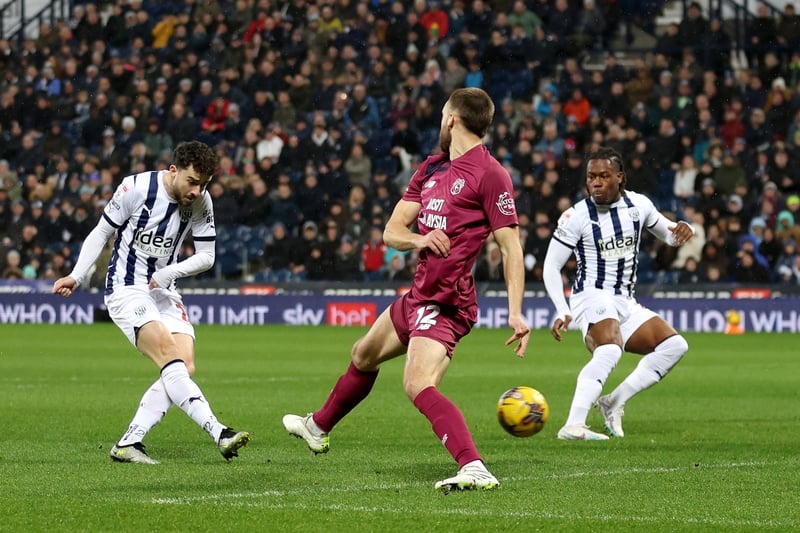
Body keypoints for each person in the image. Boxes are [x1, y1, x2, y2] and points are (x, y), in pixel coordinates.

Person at [282, 88, 530, 492]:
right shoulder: (431, 169)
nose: (439, 121)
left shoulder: (491, 174)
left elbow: (510, 246)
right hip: (418, 294)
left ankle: (474, 466)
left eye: (441, 115)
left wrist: (515, 311)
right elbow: (392, 232)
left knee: (417, 383)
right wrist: (419, 239)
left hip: (447, 301)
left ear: (452, 118)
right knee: (363, 354)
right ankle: (318, 426)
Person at [52, 141, 250, 464]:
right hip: (126, 287)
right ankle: (219, 432)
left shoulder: (201, 202)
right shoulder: (136, 187)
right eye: (192, 182)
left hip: (164, 289)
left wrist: (169, 272)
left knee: (184, 365)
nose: (198, 191)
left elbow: (207, 257)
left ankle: (130, 442)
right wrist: (76, 274)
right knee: (168, 354)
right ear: (173, 171)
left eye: (204, 184)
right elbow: (102, 232)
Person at [543, 147, 694, 441]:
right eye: (591, 177)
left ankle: (613, 402)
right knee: (611, 349)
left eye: (603, 176)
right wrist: (562, 309)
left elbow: (670, 235)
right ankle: (573, 425)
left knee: (675, 346)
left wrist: (682, 230)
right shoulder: (576, 216)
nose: (596, 182)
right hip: (591, 295)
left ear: (620, 177)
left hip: (625, 301)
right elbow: (551, 265)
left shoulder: (639, 206)